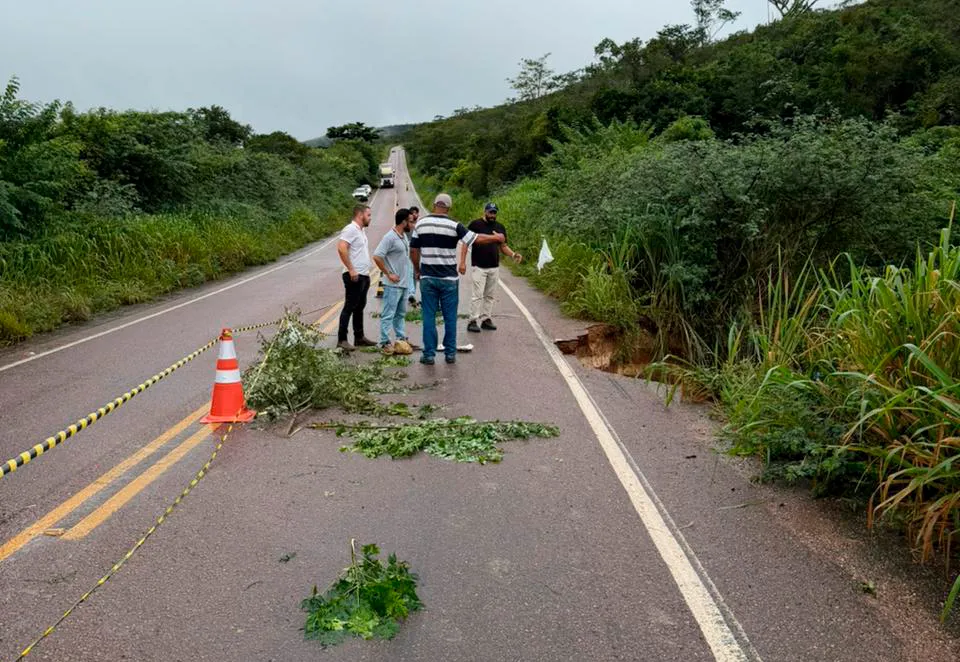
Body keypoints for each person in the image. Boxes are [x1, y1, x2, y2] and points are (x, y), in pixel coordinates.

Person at [409, 193, 504, 365]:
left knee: (429, 316)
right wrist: (496, 238)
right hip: (449, 279)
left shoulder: (420, 224)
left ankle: (429, 354)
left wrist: (417, 270)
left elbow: (413, 250)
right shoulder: (455, 225)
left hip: (428, 277)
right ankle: (450, 354)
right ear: (449, 208)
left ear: (433, 205)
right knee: (450, 317)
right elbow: (475, 239)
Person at [466, 202, 522, 333]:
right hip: (479, 266)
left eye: (494, 212)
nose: (492, 215)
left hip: (494, 266)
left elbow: (503, 246)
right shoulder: (475, 225)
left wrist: (513, 254)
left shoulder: (500, 227)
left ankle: (486, 319)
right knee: (477, 295)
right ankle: (472, 321)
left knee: (490, 295)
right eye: (490, 212)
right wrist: (462, 262)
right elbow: (466, 242)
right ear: (485, 211)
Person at [372, 208, 414, 352]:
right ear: (403, 222)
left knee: (400, 314)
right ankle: (384, 342)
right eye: (410, 221)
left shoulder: (403, 237)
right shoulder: (389, 237)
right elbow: (377, 256)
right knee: (388, 313)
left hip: (404, 284)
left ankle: (401, 339)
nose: (412, 223)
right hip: (393, 285)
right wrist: (388, 273)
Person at [336, 204, 377, 351]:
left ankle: (359, 337)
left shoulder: (361, 231)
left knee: (359, 307)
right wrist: (351, 269)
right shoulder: (350, 229)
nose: (370, 218)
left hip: (363, 275)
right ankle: (342, 339)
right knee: (349, 306)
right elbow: (341, 247)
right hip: (354, 275)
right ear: (360, 215)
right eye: (369, 215)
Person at [405, 206, 420, 306]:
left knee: (415, 273)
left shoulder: (420, 225)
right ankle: (410, 293)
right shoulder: (408, 225)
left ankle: (412, 293)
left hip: (418, 252)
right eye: (413, 213)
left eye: (416, 213)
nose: (414, 215)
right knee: (410, 271)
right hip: (409, 250)